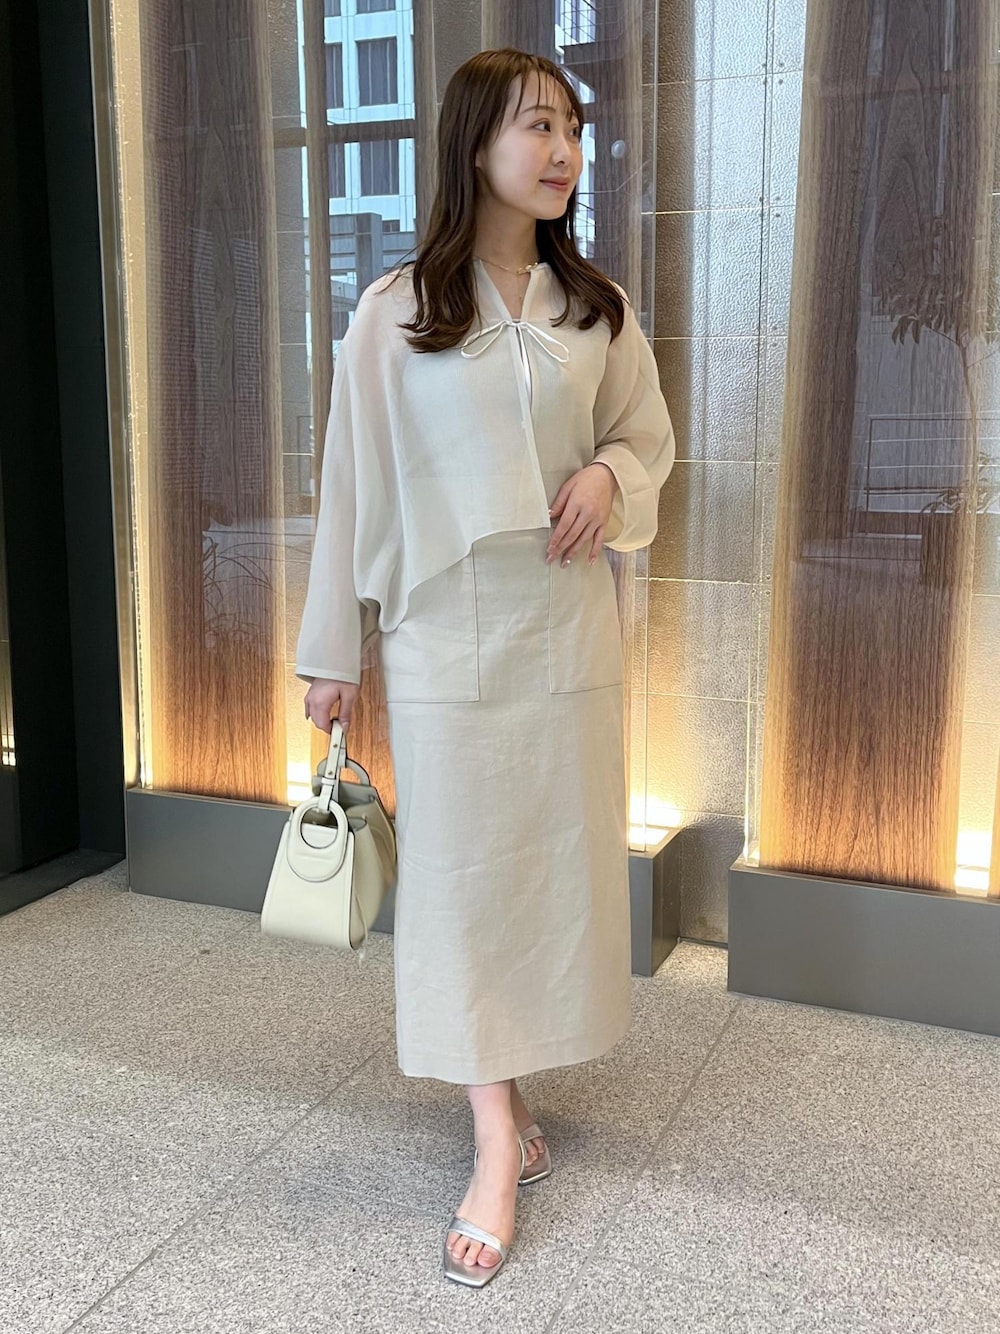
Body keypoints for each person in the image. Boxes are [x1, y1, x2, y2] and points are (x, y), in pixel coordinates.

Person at [295, 47, 675, 1288]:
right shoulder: (396, 310)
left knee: (547, 877)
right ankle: (495, 1140)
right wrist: (332, 650)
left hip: (564, 629)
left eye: (571, 128)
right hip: (444, 639)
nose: (562, 151)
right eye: (535, 127)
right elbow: (351, 484)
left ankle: (509, 1090)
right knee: (461, 884)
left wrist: (607, 474)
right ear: (474, 143)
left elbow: (646, 437)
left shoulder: (595, 309)